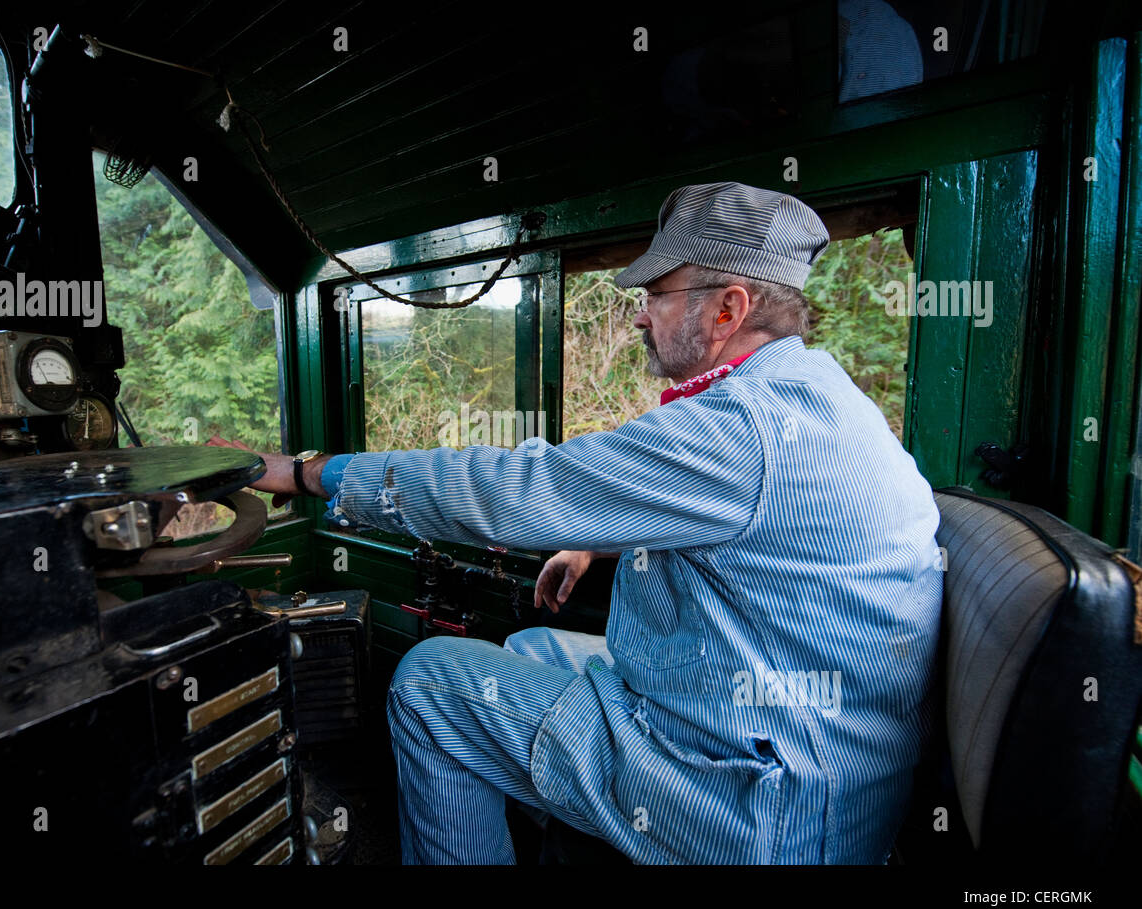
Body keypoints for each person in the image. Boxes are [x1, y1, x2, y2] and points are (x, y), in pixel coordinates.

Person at [224, 182, 943, 864]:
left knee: (428, 686)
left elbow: (516, 490)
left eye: (658, 294)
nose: (638, 313)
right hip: (815, 762)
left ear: (728, 309)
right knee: (534, 643)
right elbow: (743, 517)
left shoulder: (741, 428)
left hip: (762, 808)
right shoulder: (817, 393)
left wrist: (309, 473)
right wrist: (594, 540)